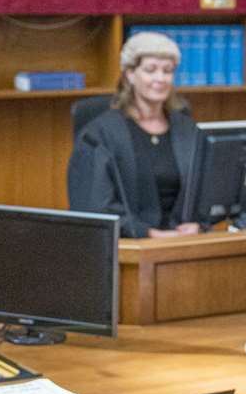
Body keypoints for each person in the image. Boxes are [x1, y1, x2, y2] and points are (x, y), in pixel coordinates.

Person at [67, 32, 202, 239]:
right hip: (129, 245)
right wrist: (148, 233)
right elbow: (93, 206)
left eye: (168, 71)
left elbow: (205, 190)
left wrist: (199, 224)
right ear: (130, 74)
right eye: (150, 70)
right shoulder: (99, 134)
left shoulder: (186, 128)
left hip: (183, 244)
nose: (160, 78)